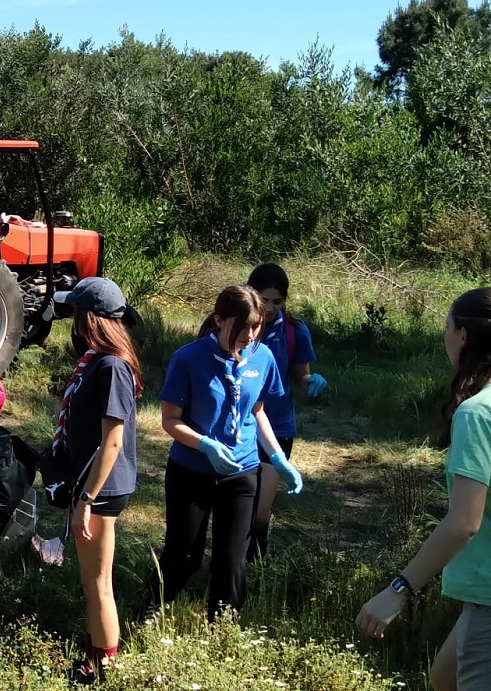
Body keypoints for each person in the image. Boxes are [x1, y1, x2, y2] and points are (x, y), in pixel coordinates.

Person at [356, 288, 491, 691]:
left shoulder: (477, 413)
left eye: (447, 327)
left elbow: (464, 522)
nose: (445, 336)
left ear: (463, 335)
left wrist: (398, 591)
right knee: (444, 677)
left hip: (488, 597)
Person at [145, 285, 304, 621]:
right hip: (191, 472)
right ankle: (151, 607)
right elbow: (170, 421)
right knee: (184, 555)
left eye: (257, 325)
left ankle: (223, 629)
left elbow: (257, 410)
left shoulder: (263, 357)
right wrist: (205, 444)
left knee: (232, 561)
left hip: (241, 473)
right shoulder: (188, 359)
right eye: (242, 325)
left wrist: (277, 458)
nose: (250, 334)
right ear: (219, 320)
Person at [53, 278, 142, 685]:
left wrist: (86, 499)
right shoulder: (98, 359)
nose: (69, 321)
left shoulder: (110, 367)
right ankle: (93, 658)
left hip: (101, 490)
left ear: (88, 318)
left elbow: (112, 440)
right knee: (91, 583)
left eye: (73, 313)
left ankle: (108, 670)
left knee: (99, 584)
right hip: (92, 486)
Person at [246, 263, 328, 560]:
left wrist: (310, 381)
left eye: (277, 301)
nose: (269, 307)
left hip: (277, 427)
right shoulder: (235, 325)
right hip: (238, 427)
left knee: (260, 510)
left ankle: (255, 565)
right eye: (263, 299)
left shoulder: (294, 331)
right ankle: (230, 565)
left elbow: (300, 374)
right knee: (238, 504)